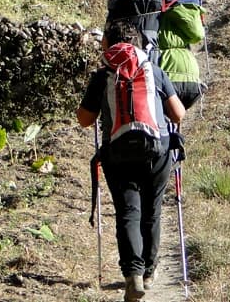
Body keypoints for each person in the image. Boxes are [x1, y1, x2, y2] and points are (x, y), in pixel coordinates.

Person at [78, 20, 185, 302]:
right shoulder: (155, 71)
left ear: (107, 44)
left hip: (118, 151)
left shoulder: (102, 76)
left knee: (128, 212)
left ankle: (133, 275)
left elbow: (85, 119)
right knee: (152, 211)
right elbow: (178, 114)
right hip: (157, 149)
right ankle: (149, 272)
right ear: (138, 43)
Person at [145, 0, 206, 110]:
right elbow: (198, 34)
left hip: (159, 71)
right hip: (189, 74)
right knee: (176, 118)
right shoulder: (186, 0)